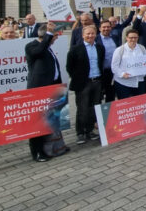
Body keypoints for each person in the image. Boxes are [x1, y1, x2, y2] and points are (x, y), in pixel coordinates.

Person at [25, 23, 69, 161]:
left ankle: (55, 147)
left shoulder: (48, 48)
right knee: (38, 122)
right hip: (39, 89)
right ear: (46, 36)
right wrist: (48, 35)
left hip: (52, 89)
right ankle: (37, 152)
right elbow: (38, 52)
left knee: (52, 120)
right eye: (54, 36)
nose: (56, 38)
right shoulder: (32, 45)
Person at [66, 25, 105, 144]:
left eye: (92, 33)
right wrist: (79, 78)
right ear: (83, 35)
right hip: (84, 83)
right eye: (88, 34)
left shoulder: (99, 47)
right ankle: (80, 133)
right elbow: (69, 67)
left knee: (94, 108)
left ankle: (89, 130)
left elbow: (101, 63)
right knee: (82, 109)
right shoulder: (75, 49)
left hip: (97, 81)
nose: (90, 36)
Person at [111, 29, 146, 99]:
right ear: (126, 38)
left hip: (139, 81)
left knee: (139, 103)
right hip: (124, 82)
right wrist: (122, 74)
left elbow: (145, 63)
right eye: (131, 38)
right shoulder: (119, 50)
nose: (133, 40)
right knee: (125, 104)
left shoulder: (142, 48)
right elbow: (114, 66)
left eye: (135, 38)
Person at [97, 20, 118, 102]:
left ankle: (109, 113)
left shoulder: (115, 37)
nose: (106, 29)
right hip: (101, 71)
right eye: (104, 27)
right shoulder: (95, 39)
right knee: (98, 96)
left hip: (113, 71)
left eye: (108, 27)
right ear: (99, 29)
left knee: (111, 93)